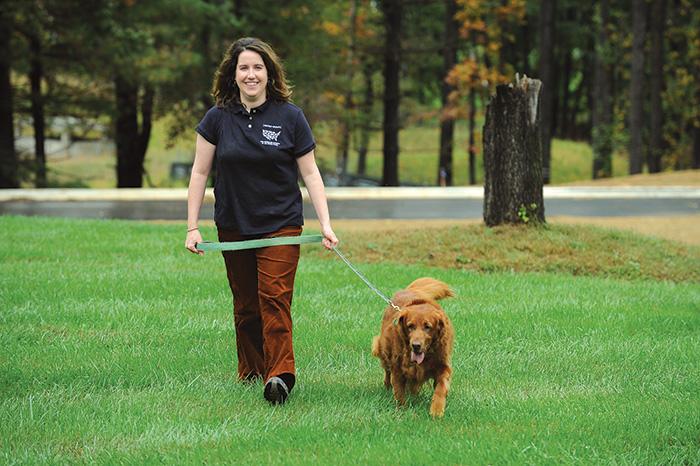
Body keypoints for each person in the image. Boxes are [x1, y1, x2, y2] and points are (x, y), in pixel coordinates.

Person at [184, 37, 338, 405]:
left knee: (274, 298)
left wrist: (326, 224)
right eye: (244, 68)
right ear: (233, 75)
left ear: (269, 74)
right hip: (233, 226)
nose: (251, 74)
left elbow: (311, 174)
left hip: (281, 224)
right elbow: (199, 172)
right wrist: (192, 226)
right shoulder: (217, 118)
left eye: (257, 67)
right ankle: (252, 371)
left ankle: (280, 376)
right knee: (246, 305)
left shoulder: (291, 117)